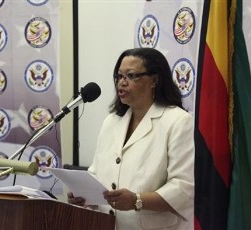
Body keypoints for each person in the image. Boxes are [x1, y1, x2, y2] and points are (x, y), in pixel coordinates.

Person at [68, 47, 194, 230]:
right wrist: (84, 195)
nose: (122, 83)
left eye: (131, 76)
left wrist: (136, 200)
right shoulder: (112, 121)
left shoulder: (178, 121)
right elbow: (97, 175)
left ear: (154, 80)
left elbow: (184, 188)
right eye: (119, 76)